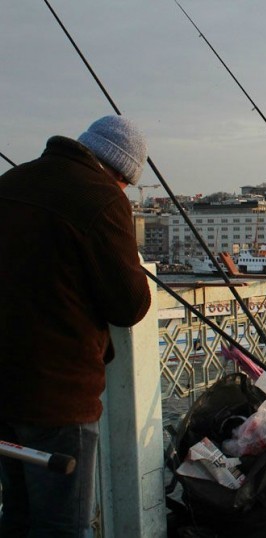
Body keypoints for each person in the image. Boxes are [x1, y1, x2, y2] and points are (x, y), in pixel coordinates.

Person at [0, 115, 152, 536]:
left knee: (16, 514)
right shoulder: (102, 199)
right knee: (62, 525)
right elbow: (129, 305)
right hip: (57, 396)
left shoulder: (11, 182)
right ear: (122, 172)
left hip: (3, 386)